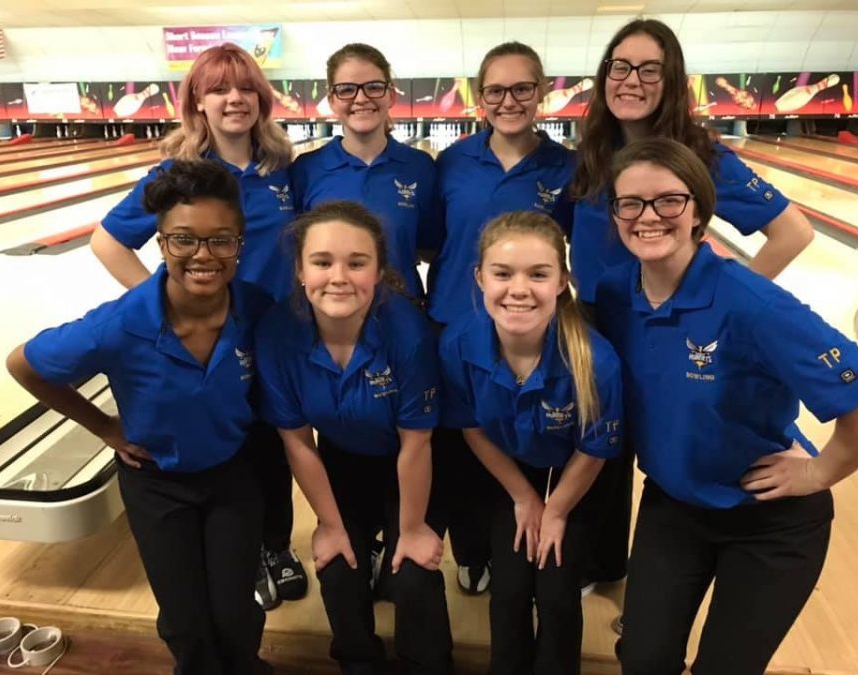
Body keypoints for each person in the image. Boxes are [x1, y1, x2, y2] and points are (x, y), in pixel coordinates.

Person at [595, 137, 858, 675]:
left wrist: (819, 471)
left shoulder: (753, 303)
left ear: (699, 209)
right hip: (673, 508)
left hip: (771, 521)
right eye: (631, 203)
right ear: (616, 214)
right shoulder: (613, 292)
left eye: (668, 200)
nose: (648, 217)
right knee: (644, 660)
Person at [570, 18, 816, 594]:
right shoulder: (591, 157)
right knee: (601, 453)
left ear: (671, 79)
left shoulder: (705, 156)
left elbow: (794, 233)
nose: (631, 79)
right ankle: (606, 565)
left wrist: (720, 307)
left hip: (672, 335)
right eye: (619, 66)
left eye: (649, 68)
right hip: (602, 335)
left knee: (672, 453)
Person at [6, 161, 274, 675]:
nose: (203, 255)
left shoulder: (256, 307)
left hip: (232, 477)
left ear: (240, 243)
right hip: (157, 488)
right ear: (160, 244)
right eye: (183, 240)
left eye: (221, 240)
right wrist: (105, 428)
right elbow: (24, 363)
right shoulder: (120, 324)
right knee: (185, 618)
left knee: (237, 610)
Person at [88, 42, 306, 610]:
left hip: (276, 338)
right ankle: (248, 550)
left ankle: (276, 547)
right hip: (209, 342)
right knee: (233, 454)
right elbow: (106, 241)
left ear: (262, 99)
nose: (234, 99)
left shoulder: (283, 171)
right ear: (197, 103)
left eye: (245, 88)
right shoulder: (178, 176)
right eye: (218, 89)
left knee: (276, 445)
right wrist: (161, 303)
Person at [255, 201, 453, 675]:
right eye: (322, 262)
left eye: (357, 263)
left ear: (379, 271)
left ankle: (427, 662)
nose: (338, 276)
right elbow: (298, 441)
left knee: (411, 574)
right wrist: (329, 524)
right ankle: (358, 661)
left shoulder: (408, 332)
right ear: (301, 270)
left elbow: (417, 444)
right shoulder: (277, 333)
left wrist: (410, 530)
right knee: (339, 566)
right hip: (342, 460)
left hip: (416, 459)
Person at [439, 211, 623, 675]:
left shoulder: (595, 360)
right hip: (510, 466)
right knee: (510, 589)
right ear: (480, 278)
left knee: (558, 592)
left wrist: (556, 509)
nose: (518, 290)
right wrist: (524, 498)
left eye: (538, 274)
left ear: (562, 281)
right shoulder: (458, 344)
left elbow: (594, 449)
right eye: (502, 274)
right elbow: (472, 428)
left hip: (577, 474)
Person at [430, 41, 576, 595]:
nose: (509, 100)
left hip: (527, 330)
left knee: (519, 440)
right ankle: (470, 552)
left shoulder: (566, 167)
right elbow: (430, 241)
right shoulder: (451, 161)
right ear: (480, 96)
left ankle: (530, 540)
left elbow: (569, 251)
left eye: (522, 88)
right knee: (460, 447)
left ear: (541, 92)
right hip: (451, 323)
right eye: (496, 90)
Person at [290, 42, 438, 299]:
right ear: (332, 100)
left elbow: (429, 247)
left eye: (373, 87)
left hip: (404, 314)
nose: (361, 98)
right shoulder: (305, 170)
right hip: (331, 314)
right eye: (347, 89)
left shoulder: (420, 167)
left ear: (391, 95)